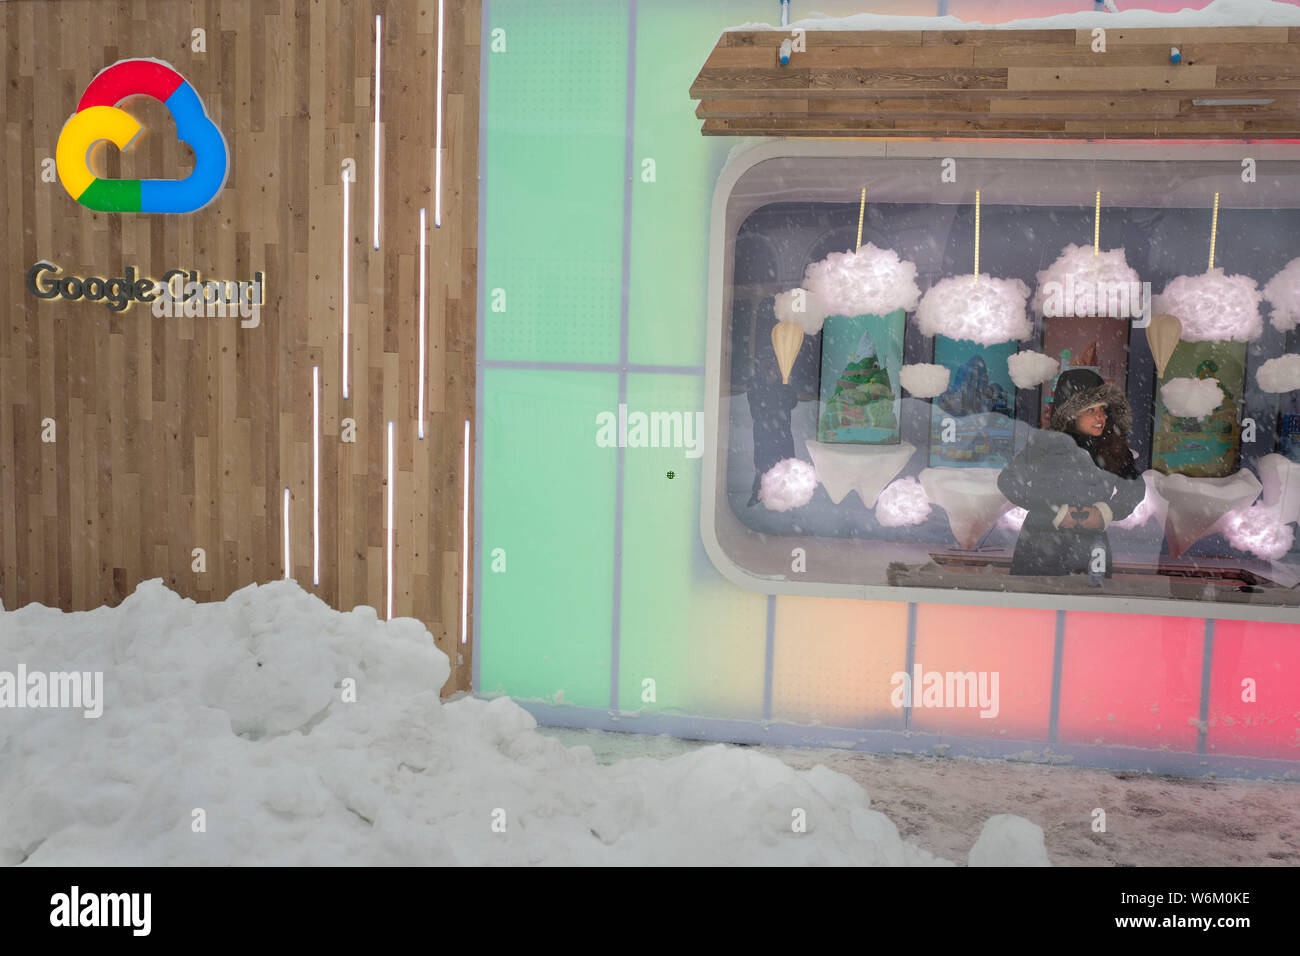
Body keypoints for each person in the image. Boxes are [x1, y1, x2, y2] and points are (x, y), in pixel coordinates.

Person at [997, 368, 1145, 579]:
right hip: (1040, 545)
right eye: (1091, 410)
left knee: (1089, 608)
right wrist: (1054, 512)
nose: (1100, 417)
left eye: (1103, 409)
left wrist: (1105, 512)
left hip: (1091, 548)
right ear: (1071, 413)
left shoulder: (1113, 447)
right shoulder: (1045, 443)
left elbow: (1133, 487)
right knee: (1036, 607)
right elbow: (1009, 480)